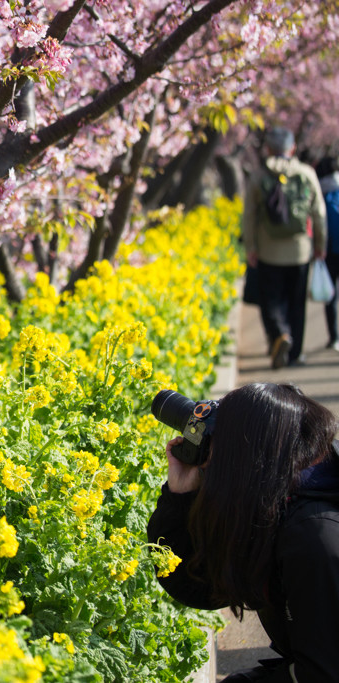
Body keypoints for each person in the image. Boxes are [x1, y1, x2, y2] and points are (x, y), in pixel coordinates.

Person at [147, 383, 339, 682]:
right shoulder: (280, 499)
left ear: (248, 458)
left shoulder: (315, 538)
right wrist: (179, 495)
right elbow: (201, 588)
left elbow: (323, 674)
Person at [241, 127, 327, 369]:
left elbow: (249, 215)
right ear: (293, 148)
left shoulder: (259, 176)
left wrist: (250, 246)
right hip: (300, 250)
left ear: (268, 149)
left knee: (271, 301)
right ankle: (295, 353)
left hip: (269, 250)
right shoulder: (306, 173)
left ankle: (279, 334)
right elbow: (318, 214)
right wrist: (320, 244)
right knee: (296, 302)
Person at [314, 155, 339, 350]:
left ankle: (334, 336)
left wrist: (318, 246)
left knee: (330, 296)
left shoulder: (318, 191)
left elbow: (318, 222)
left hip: (329, 251)